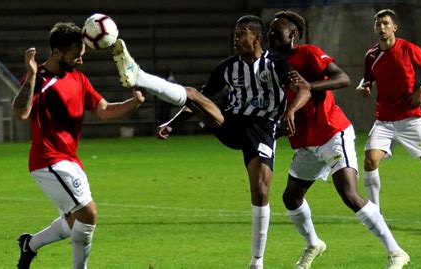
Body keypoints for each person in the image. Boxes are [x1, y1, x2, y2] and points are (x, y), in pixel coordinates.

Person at [113, 15, 297, 269]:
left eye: (241, 32)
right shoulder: (227, 67)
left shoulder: (277, 64)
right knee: (191, 93)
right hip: (230, 123)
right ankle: (139, 76)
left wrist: (292, 114)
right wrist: (172, 124)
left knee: (260, 190)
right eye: (234, 32)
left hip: (262, 129)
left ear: (256, 37)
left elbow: (301, 91)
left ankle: (257, 262)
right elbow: (201, 97)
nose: (236, 37)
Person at [268, 11, 410, 269]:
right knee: (291, 197)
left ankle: (396, 251)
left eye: (277, 31)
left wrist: (310, 85)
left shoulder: (308, 52)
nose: (272, 34)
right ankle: (313, 244)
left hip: (333, 132)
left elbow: (343, 78)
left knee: (349, 193)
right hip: (306, 141)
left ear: (293, 35)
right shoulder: (273, 64)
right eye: (270, 31)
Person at [12, 22, 144, 269]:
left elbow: (103, 110)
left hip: (70, 159)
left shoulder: (79, 79)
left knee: (76, 222)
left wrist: (132, 103)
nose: (81, 61)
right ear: (57, 53)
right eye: (77, 55)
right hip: (48, 160)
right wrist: (30, 76)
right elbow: (20, 112)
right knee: (88, 214)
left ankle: (29, 244)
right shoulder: (39, 78)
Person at [357, 9, 421, 224]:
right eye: (378, 24)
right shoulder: (371, 55)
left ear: (394, 27)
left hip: (410, 118)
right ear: (375, 29)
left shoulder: (408, 49)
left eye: (385, 23)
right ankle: (375, 214)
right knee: (371, 160)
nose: (382, 28)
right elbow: (367, 81)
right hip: (384, 119)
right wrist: (364, 88)